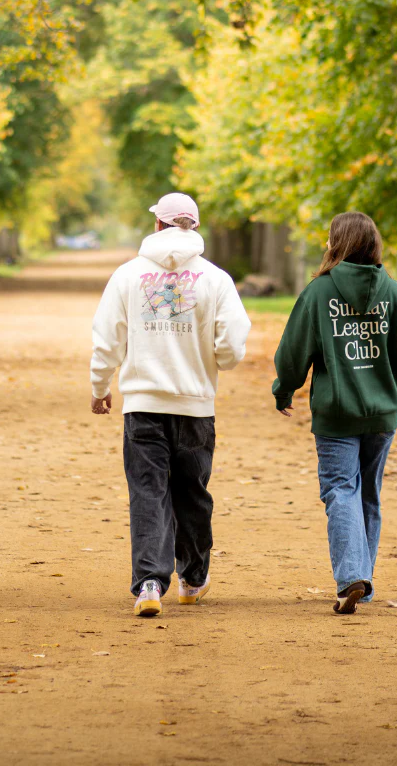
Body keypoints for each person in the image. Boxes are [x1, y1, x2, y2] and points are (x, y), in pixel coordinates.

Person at [90, 192, 251, 618]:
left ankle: (148, 583)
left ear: (157, 225)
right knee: (192, 493)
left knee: (148, 491)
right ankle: (193, 577)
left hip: (142, 404)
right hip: (195, 405)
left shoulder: (127, 275)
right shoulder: (216, 279)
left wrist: (99, 385)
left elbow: (107, 337)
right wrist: (215, 360)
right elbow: (232, 344)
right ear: (193, 228)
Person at [272, 212, 397, 614]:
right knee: (368, 495)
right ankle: (362, 579)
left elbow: (293, 352)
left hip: (337, 414)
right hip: (381, 414)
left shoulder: (319, 293)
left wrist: (284, 389)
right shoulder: (395, 292)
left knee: (341, 490)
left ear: (336, 244)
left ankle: (351, 577)